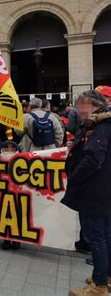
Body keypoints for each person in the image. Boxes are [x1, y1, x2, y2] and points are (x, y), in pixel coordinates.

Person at [61, 91, 111, 296]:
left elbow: (93, 159)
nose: (79, 110)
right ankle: (106, 276)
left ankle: (99, 286)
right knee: (106, 235)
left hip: (93, 190)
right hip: (104, 188)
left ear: (96, 106)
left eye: (83, 105)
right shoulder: (102, 124)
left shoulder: (100, 127)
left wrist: (74, 178)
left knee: (96, 237)